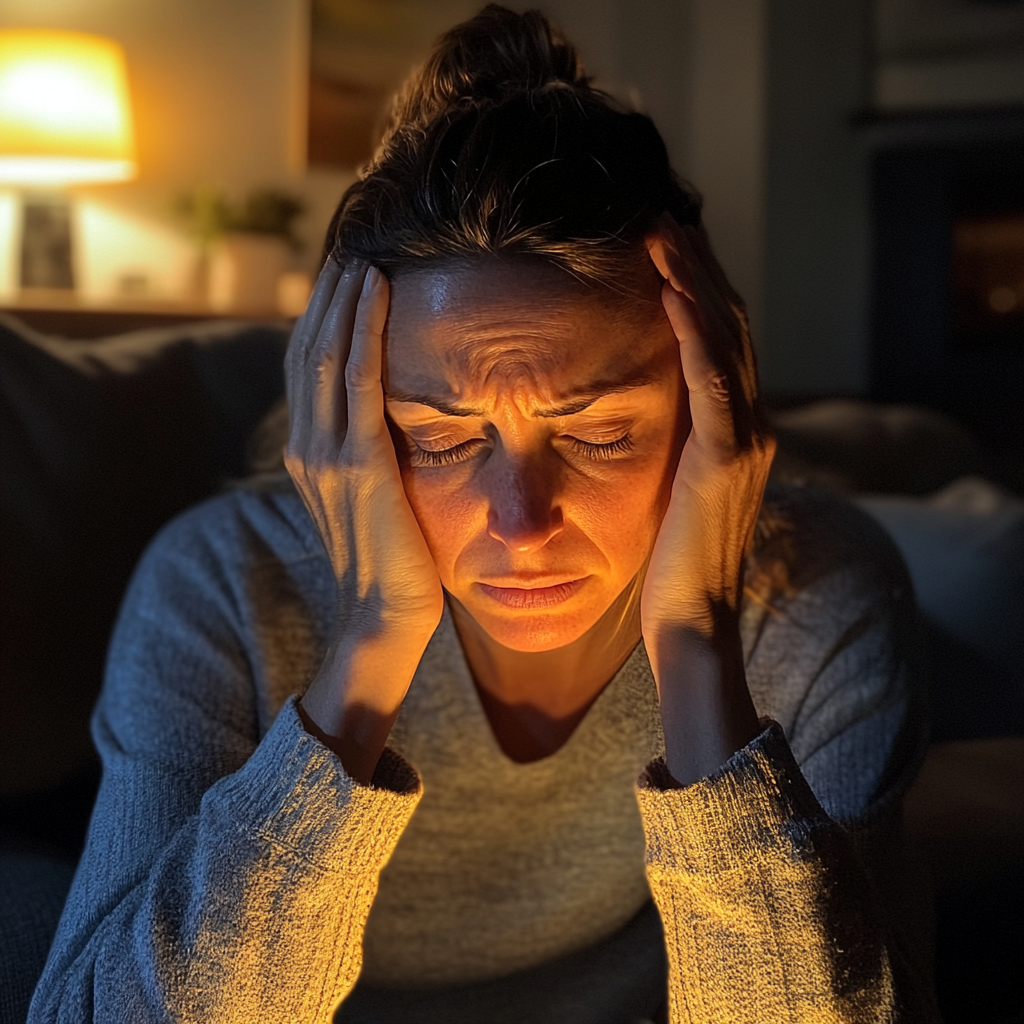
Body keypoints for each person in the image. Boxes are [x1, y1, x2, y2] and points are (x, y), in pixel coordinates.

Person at [30, 7, 938, 1022]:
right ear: (354, 423)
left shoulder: (813, 599)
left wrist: (693, 649)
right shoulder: (218, 587)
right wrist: (367, 650)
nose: (521, 520)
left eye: (596, 434)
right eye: (444, 439)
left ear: (705, 403)